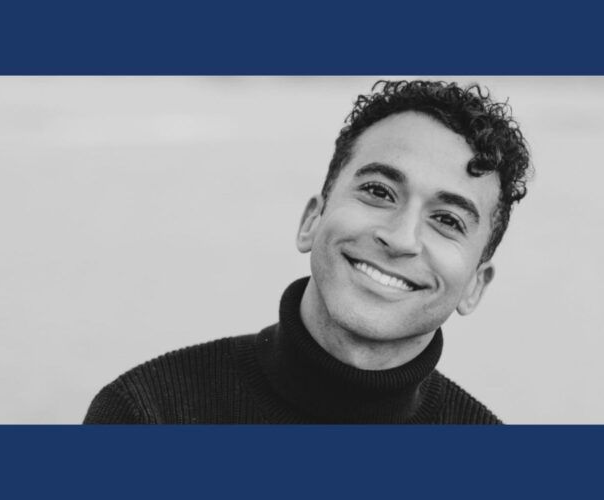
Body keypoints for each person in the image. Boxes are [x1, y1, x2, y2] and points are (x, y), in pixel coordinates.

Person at [84, 80, 532, 424]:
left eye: (448, 220)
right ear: (311, 221)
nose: (400, 238)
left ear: (475, 286)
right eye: (379, 191)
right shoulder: (147, 414)